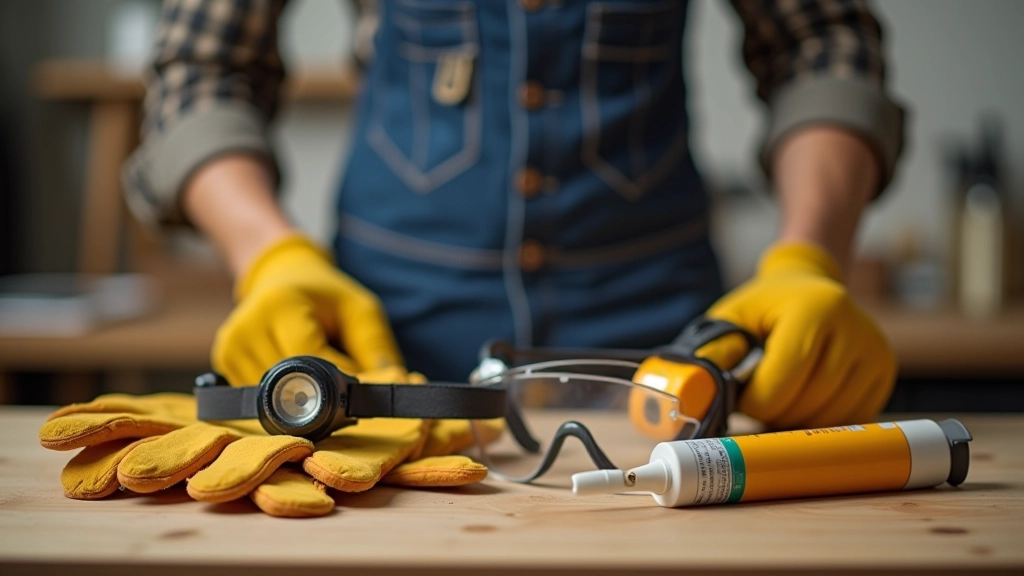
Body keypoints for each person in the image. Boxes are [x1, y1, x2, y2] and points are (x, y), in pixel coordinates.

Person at [125, 0, 903, 431]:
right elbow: (203, 67)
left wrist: (808, 257)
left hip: (670, 363)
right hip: (382, 353)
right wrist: (268, 256)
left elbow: (820, 43)